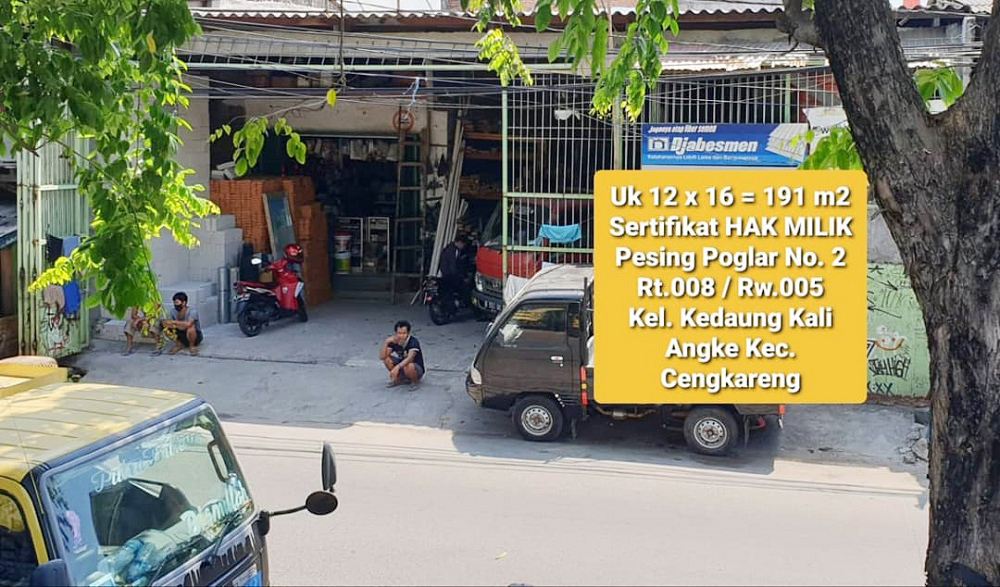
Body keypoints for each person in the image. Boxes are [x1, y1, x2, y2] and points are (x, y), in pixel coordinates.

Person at [379, 320, 424, 387]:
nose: (401, 336)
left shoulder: (413, 342)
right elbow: (382, 357)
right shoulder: (394, 341)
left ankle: (414, 381)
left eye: (404, 333)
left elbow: (410, 358)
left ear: (408, 333)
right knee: (387, 359)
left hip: (415, 367)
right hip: (402, 364)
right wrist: (386, 342)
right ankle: (400, 378)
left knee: (409, 365)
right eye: (399, 333)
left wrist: (397, 367)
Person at [438, 235, 471, 303]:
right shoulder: (452, 251)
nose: (463, 246)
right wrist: (458, 276)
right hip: (449, 276)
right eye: (463, 244)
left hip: (446, 274)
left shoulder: (449, 249)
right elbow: (452, 265)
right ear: (459, 243)